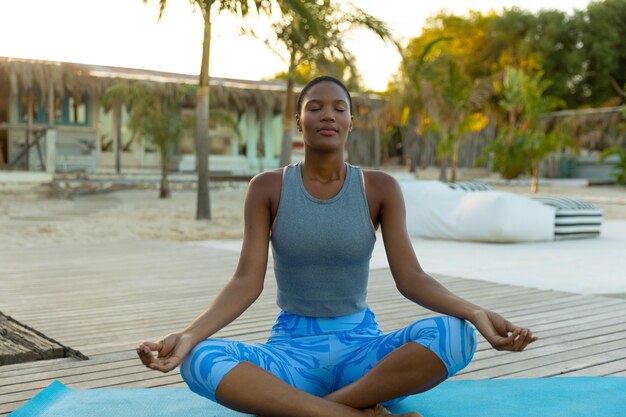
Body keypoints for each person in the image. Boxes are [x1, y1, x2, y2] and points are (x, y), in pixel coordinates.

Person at [137, 75, 538, 417]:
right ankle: (351, 413)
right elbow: (246, 281)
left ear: (350, 121)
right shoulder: (267, 187)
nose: (327, 114)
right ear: (299, 121)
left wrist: (477, 312)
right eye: (314, 107)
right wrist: (187, 336)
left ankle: (311, 409)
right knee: (200, 361)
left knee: (457, 335)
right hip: (291, 355)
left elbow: (411, 277)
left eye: (338, 108)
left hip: (363, 357)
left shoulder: (379, 187)